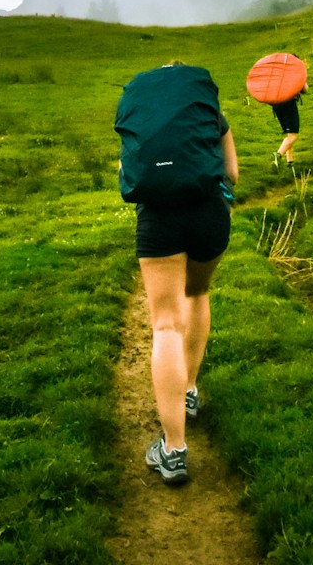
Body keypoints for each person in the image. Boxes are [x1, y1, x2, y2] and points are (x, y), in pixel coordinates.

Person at [118, 62, 239, 485]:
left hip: (159, 220)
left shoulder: (142, 113)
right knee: (198, 294)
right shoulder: (211, 113)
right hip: (209, 212)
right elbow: (233, 173)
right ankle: (188, 389)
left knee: (165, 324)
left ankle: (173, 450)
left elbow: (129, 171)